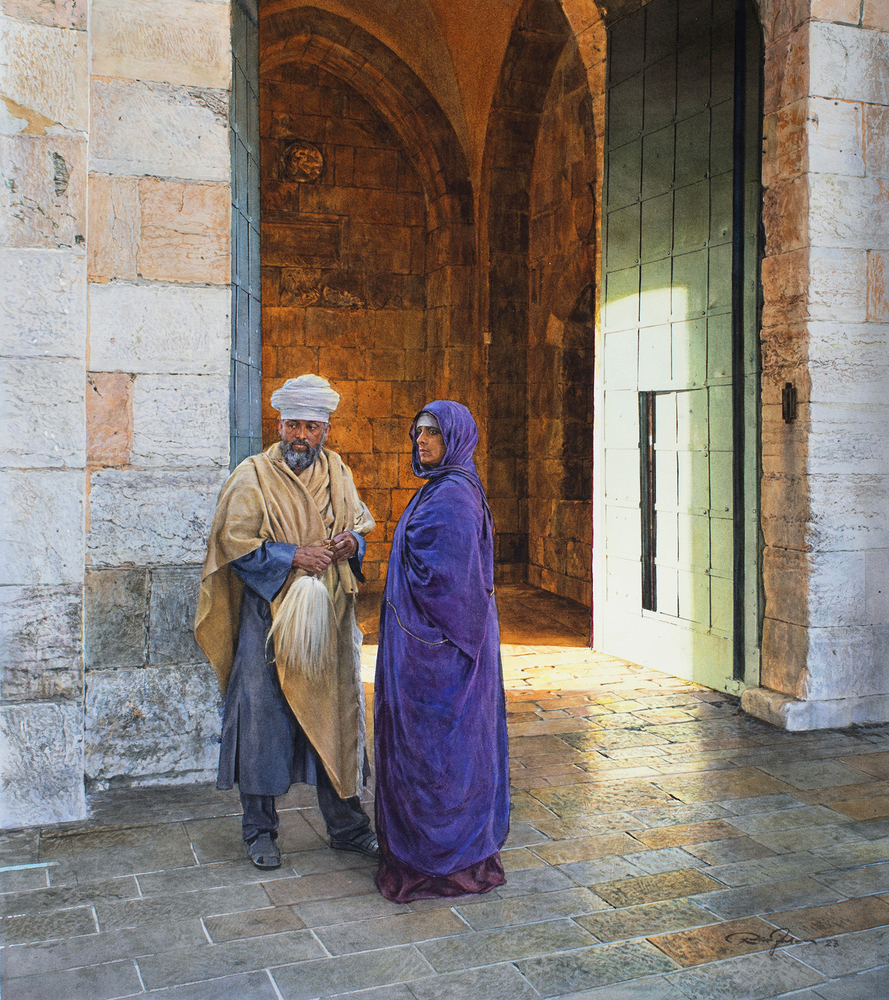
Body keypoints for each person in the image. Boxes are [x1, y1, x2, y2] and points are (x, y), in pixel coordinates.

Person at [194, 374, 378, 869]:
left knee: (334, 716)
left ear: (325, 430)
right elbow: (232, 542)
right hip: (266, 618)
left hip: (327, 617)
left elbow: (359, 522)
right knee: (262, 720)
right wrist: (292, 555)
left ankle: (346, 826)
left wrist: (350, 545)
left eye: (311, 427)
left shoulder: (338, 471)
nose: (301, 436)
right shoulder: (251, 475)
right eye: (292, 425)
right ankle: (259, 831)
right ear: (279, 423)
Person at [373, 400, 510, 902]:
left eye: (432, 433)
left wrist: (430, 645)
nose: (421, 442)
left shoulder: (451, 498)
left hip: (440, 660)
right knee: (436, 757)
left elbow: (450, 589)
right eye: (417, 433)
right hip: (431, 650)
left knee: (439, 757)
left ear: (455, 437)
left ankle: (440, 863)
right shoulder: (445, 488)